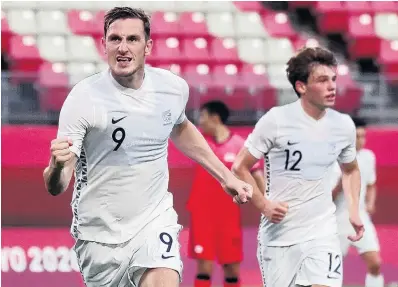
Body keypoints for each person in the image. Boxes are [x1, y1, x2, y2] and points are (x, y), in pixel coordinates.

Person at [42, 7, 252, 287]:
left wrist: (227, 177)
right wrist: (56, 167)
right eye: (115, 39)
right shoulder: (84, 98)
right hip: (99, 235)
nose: (123, 48)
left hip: (154, 221)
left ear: (148, 46)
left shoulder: (172, 89)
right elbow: (57, 185)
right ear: (104, 45)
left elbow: (180, 126)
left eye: (132, 39)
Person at [231, 46, 365, 287]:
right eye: (322, 80)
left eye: (333, 79)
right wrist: (263, 205)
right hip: (280, 236)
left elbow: (351, 169)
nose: (332, 86)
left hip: (322, 233)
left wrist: (354, 210)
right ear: (301, 86)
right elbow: (240, 166)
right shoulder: (276, 120)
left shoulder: (344, 125)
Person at [187, 101, 265, 287]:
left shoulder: (239, 145)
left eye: (203, 116)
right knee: (204, 268)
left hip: (229, 217)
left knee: (232, 270)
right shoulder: (200, 142)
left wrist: (266, 203)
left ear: (215, 118)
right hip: (202, 215)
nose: (200, 121)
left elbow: (257, 176)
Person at [331, 117, 384, 287]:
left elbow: (371, 185)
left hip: (361, 218)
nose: (361, 140)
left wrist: (370, 203)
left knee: (375, 263)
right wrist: (341, 183)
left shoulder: (368, 157)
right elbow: (326, 198)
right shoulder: (333, 161)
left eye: (363, 136)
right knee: (331, 271)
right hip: (338, 220)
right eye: (357, 136)